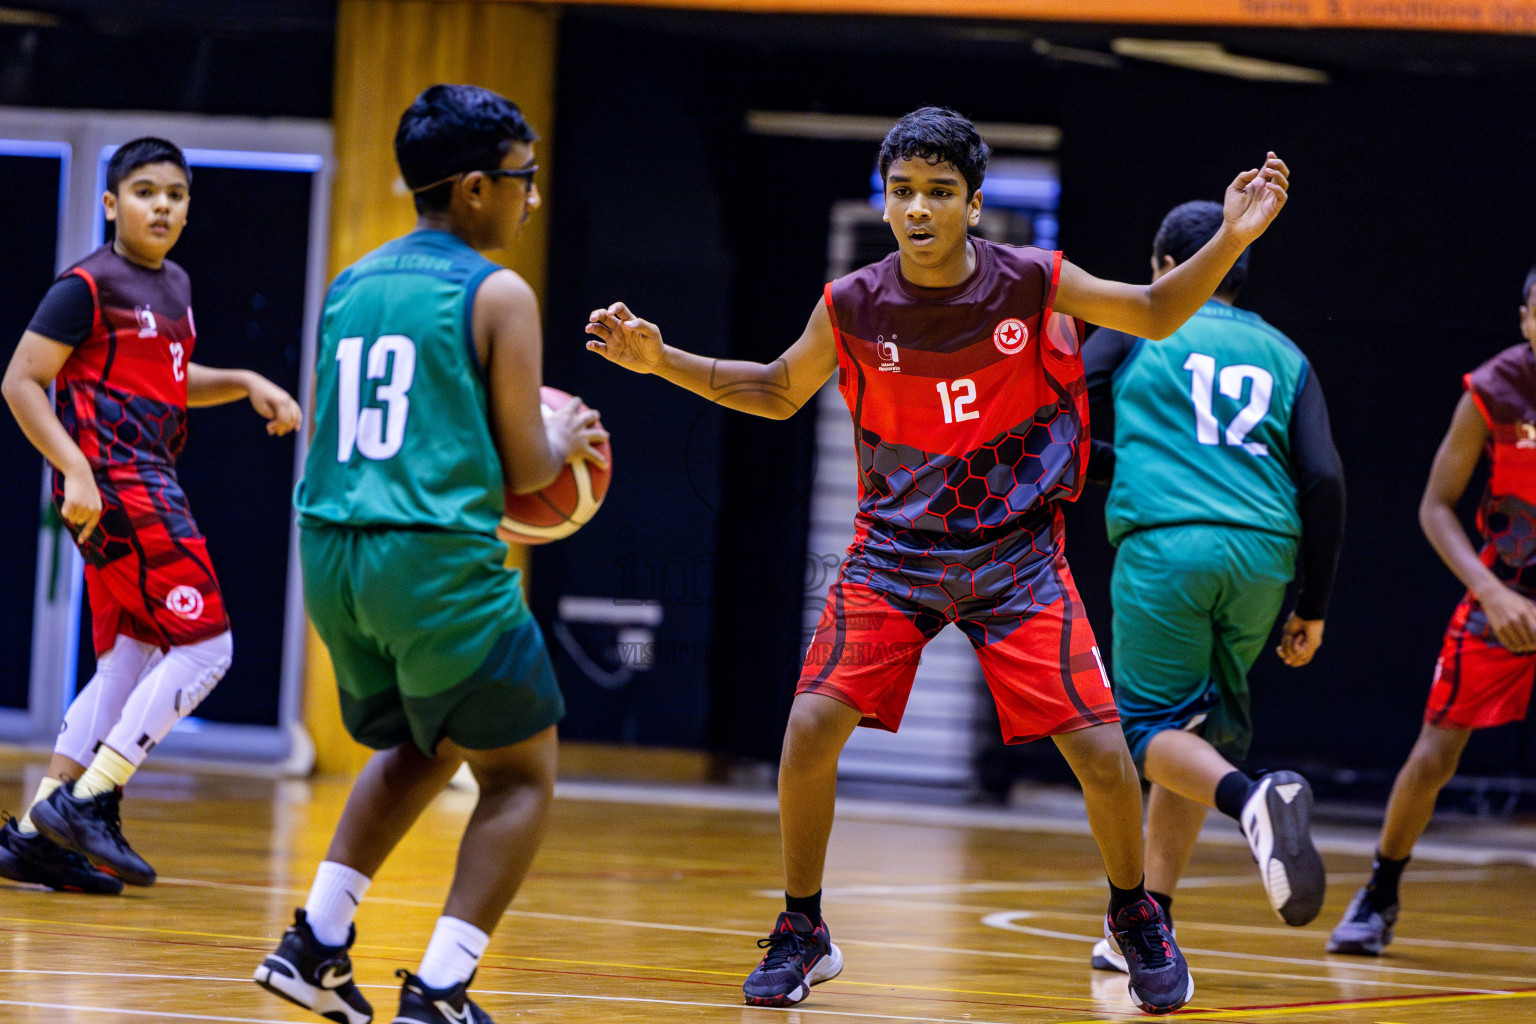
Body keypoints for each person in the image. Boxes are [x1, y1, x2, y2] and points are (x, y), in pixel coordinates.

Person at [586, 106, 1289, 1016]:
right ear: (885, 203)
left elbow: (1155, 312)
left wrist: (1231, 237)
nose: (919, 208)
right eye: (903, 191)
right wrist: (660, 360)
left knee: (1104, 754)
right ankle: (805, 929)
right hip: (895, 556)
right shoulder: (851, 303)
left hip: (1018, 557)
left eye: (939, 192)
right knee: (807, 733)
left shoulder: (1034, 282)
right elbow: (774, 388)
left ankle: (1135, 915)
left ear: (974, 204)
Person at [250, 85, 606, 1024]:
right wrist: (563, 436)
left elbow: (333, 433)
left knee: (426, 741)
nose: (533, 199)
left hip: (330, 554)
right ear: (478, 188)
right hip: (431, 562)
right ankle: (441, 991)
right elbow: (528, 465)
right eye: (525, 181)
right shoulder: (498, 293)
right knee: (521, 775)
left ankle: (314, 944)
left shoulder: (350, 282)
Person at [0, 137, 301, 894]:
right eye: (143, 191)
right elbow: (21, 382)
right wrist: (74, 468)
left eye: (175, 193)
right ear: (111, 204)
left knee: (131, 653)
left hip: (144, 478)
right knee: (207, 649)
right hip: (115, 483)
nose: (161, 204)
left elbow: (167, 379)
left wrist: (243, 379)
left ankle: (37, 831)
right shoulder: (86, 286)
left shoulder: (174, 286)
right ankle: (94, 796)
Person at [1077, 201, 1345, 976]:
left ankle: (1253, 802)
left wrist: (1102, 466)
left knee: (1145, 733)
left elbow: (1063, 401)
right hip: (1265, 554)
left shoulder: (1142, 319)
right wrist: (1314, 604)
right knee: (1199, 732)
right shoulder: (1285, 353)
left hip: (1168, 545)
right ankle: (1142, 925)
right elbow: (1324, 480)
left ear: (1167, 267)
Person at [1327, 266, 1536, 956]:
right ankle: (1379, 892)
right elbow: (1434, 508)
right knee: (1436, 750)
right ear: (1525, 318)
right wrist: (1491, 590)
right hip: (1507, 593)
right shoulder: (1494, 392)